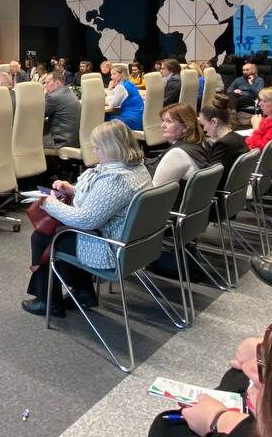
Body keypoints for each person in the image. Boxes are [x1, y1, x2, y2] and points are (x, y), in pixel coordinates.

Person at [23, 121, 151, 317]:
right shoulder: (136, 169)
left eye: (98, 147)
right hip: (134, 244)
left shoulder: (115, 179)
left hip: (111, 249)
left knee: (44, 237)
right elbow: (104, 202)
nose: (95, 151)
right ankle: (83, 293)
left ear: (111, 148)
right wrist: (73, 190)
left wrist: (49, 203)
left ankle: (48, 301)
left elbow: (85, 220)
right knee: (62, 233)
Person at [152, 103, 210, 188]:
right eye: (163, 120)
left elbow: (154, 191)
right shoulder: (200, 144)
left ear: (186, 127)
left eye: (168, 121)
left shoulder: (177, 154)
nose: (162, 125)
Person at [199, 94, 248, 190]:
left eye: (204, 124)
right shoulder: (238, 138)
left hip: (217, 193)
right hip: (236, 190)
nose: (204, 129)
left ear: (214, 122)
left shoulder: (223, 144)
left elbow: (210, 178)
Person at [43, 71, 81, 150]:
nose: (45, 86)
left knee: (29, 142)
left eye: (47, 83)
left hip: (60, 142)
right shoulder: (70, 92)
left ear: (57, 83)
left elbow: (38, 116)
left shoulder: (53, 97)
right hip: (75, 141)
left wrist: (44, 94)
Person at [106, 64, 144, 130]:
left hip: (131, 119)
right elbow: (116, 96)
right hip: (139, 118)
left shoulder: (121, 87)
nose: (111, 77)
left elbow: (113, 105)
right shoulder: (129, 83)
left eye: (114, 74)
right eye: (111, 74)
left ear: (122, 74)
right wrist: (111, 90)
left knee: (106, 118)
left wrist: (108, 96)